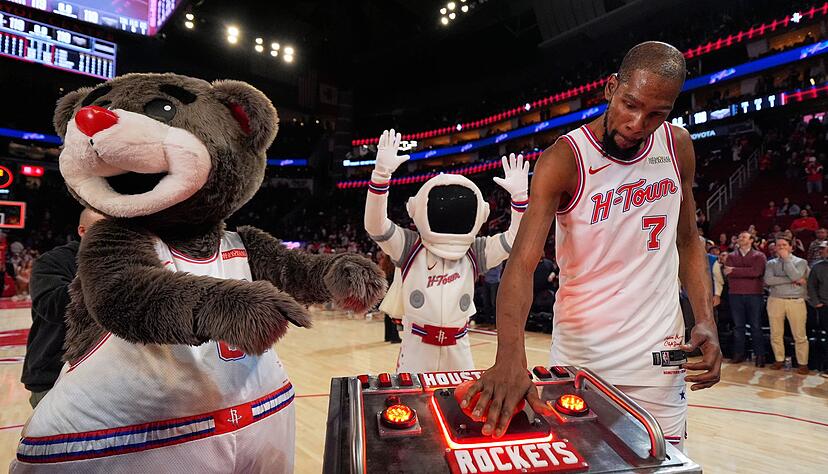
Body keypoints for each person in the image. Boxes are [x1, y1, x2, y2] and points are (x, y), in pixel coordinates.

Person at [460, 42, 721, 452]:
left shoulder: (677, 146)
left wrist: (705, 318)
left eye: (657, 113)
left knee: (662, 464)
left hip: (661, 358)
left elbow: (688, 239)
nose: (638, 123)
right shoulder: (565, 159)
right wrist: (510, 355)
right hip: (584, 358)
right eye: (630, 105)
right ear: (610, 88)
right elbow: (523, 265)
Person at [364, 130, 529, 373]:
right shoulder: (411, 246)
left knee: (461, 408)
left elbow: (517, 239)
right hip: (418, 345)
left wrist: (520, 199)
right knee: (412, 407)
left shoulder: (475, 251)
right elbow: (375, 225)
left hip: (458, 346)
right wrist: (380, 176)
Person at [21, 209, 104, 408]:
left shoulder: (126, 263)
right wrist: (102, 273)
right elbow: (52, 307)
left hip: (103, 378)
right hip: (54, 375)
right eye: (102, 230)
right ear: (82, 231)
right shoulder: (52, 261)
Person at [764, 238, 810, 374]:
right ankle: (779, 359)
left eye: (784, 245)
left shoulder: (801, 262)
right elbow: (768, 280)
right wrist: (791, 280)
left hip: (795, 300)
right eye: (778, 245)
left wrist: (787, 260)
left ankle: (803, 363)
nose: (781, 248)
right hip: (775, 300)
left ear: (791, 247)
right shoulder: (771, 263)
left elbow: (797, 275)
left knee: (800, 335)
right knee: (776, 333)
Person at [724, 231, 767, 365]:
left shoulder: (759, 256)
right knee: (738, 326)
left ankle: (760, 355)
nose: (740, 239)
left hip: (754, 294)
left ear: (751, 240)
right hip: (735, 294)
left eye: (744, 237)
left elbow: (757, 272)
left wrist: (735, 271)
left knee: (755, 326)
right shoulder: (731, 256)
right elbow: (727, 272)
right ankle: (739, 354)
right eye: (739, 237)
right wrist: (746, 272)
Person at [807, 242, 828, 335]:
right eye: (820, 249)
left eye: (823, 249)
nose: (820, 251)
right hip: (824, 305)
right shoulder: (817, 267)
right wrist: (817, 302)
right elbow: (811, 285)